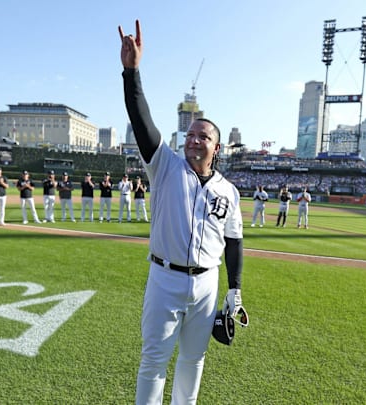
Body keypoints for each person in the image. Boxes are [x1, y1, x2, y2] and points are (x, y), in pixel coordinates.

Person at [120, 20, 244, 405]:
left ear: (216, 148)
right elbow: (141, 120)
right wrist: (131, 72)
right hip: (164, 278)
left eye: (203, 136)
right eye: (190, 134)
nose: (193, 139)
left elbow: (234, 239)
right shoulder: (165, 166)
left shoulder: (228, 190)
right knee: (154, 360)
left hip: (207, 283)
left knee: (194, 361)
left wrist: (235, 289)